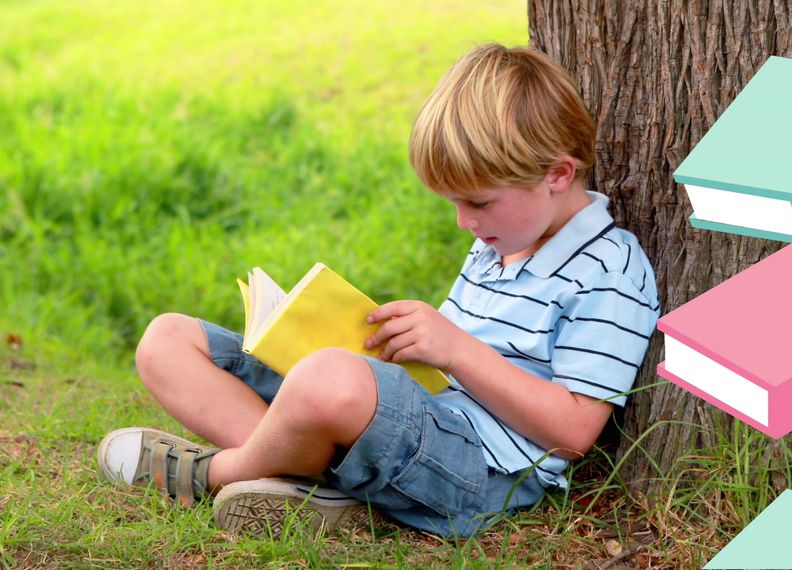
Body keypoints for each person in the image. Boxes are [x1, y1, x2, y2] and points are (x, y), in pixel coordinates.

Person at [97, 43, 660, 538]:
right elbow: (434, 377)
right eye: (453, 203)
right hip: (419, 420)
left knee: (328, 378)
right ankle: (305, 483)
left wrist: (456, 350)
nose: (464, 222)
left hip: (478, 473)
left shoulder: (608, 269)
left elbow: (573, 431)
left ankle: (217, 473)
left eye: (479, 203)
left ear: (557, 175)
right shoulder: (502, 238)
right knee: (167, 339)